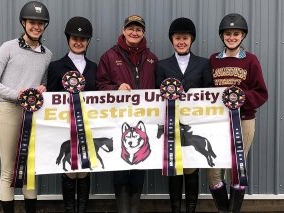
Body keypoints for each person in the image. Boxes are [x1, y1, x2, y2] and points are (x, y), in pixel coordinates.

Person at [0, 1, 52, 213]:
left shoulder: (47, 54)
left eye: (41, 23)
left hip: (33, 114)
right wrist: (18, 95)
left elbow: (44, 83)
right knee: (9, 168)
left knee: (30, 168)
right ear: (24, 23)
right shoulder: (8, 47)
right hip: (9, 111)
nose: (36, 27)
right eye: (32, 22)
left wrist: (43, 89)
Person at [207, 13, 268, 213]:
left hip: (243, 121)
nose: (231, 37)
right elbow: (206, 90)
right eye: (228, 34)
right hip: (217, 123)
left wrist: (241, 98)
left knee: (236, 168)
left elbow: (261, 93)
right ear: (222, 36)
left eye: (236, 34)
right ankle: (223, 209)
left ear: (243, 36)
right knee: (213, 172)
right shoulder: (214, 60)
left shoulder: (251, 60)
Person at [96, 15, 157, 213]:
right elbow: (99, 86)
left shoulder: (151, 58)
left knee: (140, 166)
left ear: (143, 33)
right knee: (120, 166)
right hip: (117, 121)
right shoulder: (109, 56)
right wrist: (115, 88)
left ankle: (135, 208)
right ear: (124, 31)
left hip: (144, 121)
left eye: (138, 29)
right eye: (131, 28)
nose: (134, 32)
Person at [156, 17, 214, 213]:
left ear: (191, 40)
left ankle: (190, 209)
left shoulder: (203, 64)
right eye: (177, 38)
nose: (181, 41)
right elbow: (157, 97)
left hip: (194, 125)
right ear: (172, 40)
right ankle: (175, 209)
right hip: (171, 126)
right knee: (175, 168)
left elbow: (209, 94)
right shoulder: (162, 65)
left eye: (185, 38)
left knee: (191, 168)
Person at [47, 16, 96, 213]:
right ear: (68, 39)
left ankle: (82, 209)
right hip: (64, 126)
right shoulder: (56, 66)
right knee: (69, 168)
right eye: (75, 38)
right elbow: (51, 98)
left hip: (88, 125)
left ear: (88, 42)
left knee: (84, 169)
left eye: (83, 39)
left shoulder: (94, 67)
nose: (78, 42)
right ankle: (69, 209)